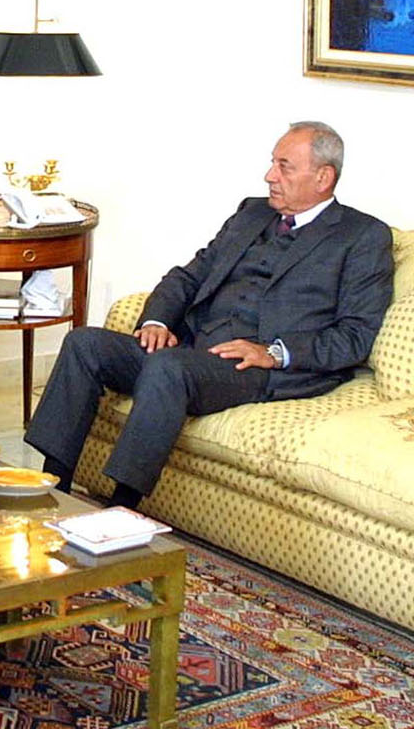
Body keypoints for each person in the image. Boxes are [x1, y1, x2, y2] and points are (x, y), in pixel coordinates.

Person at [24, 120, 392, 508]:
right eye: (272, 163)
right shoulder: (252, 213)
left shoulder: (362, 237)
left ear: (323, 177)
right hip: (192, 347)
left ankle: (122, 512)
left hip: (256, 369)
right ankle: (51, 491)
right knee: (85, 343)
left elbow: (356, 334)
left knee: (169, 369)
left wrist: (275, 352)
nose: (270, 176)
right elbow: (189, 275)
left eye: (285, 166)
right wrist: (157, 322)